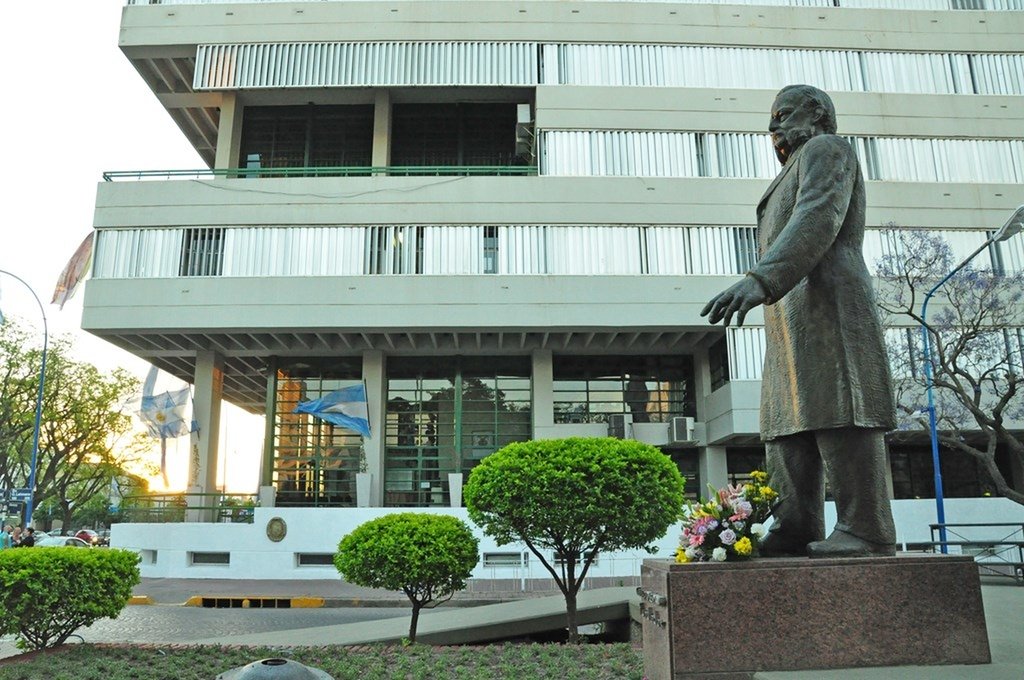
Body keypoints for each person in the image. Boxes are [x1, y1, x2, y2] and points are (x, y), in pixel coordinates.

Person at [701, 84, 897, 558]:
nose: (773, 126)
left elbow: (817, 217)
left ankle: (866, 529)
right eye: (772, 118)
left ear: (818, 114)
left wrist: (760, 280)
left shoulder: (828, 149)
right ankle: (794, 524)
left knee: (841, 408)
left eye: (784, 115)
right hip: (789, 312)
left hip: (830, 302)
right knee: (785, 421)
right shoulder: (788, 171)